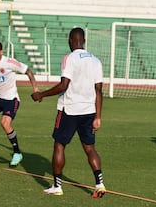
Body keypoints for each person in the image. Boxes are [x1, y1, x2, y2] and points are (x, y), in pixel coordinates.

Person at [31, 27, 105, 197]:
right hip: (89, 111)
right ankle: (99, 184)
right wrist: (98, 116)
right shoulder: (96, 61)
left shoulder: (69, 58)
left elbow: (64, 85)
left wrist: (41, 94)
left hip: (69, 109)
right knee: (90, 148)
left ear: (71, 41)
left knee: (59, 145)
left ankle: (57, 187)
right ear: (84, 41)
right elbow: (99, 90)